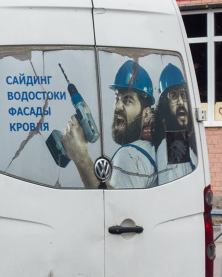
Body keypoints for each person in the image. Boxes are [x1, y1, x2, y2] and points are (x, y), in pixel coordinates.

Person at [63, 59, 157, 189]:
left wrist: (80, 155)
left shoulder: (130, 155)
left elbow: (116, 205)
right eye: (117, 98)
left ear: (146, 115)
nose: (118, 106)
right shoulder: (155, 149)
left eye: (128, 100)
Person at [153, 64, 198, 185]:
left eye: (183, 95)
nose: (180, 102)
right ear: (165, 105)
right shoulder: (171, 144)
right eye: (174, 96)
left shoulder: (184, 138)